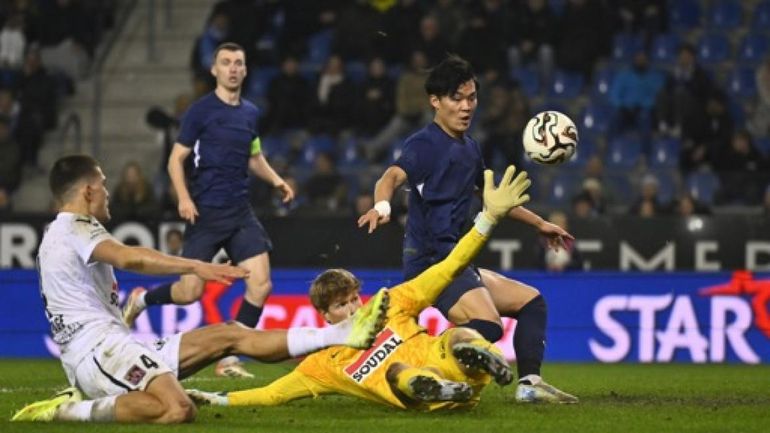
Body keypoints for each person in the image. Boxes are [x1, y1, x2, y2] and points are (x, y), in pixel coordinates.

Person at [11, 154, 389, 424]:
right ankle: (66, 411)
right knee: (178, 410)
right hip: (99, 353)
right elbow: (130, 258)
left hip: (114, 345)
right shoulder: (75, 226)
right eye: (104, 186)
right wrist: (197, 266)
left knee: (229, 334)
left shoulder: (60, 233)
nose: (108, 194)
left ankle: (341, 333)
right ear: (89, 191)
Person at [188, 165, 542, 411]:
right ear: (325, 316)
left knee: (457, 338)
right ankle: (433, 385)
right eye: (342, 305)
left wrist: (488, 218)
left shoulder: (393, 302)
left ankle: (489, 360)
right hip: (427, 394)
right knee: (397, 373)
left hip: (458, 370)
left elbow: (450, 266)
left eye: (355, 298)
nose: (355, 308)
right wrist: (218, 399)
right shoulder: (322, 365)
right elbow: (270, 395)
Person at [357, 55, 577, 403]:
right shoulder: (424, 144)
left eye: (471, 98)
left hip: (458, 259)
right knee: (488, 326)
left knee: (532, 302)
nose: (466, 106)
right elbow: (392, 176)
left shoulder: (470, 148)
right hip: (433, 263)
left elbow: (493, 198)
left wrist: (540, 223)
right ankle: (419, 365)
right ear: (435, 101)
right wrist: (382, 205)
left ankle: (530, 385)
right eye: (456, 98)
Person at [122, 42, 296, 378]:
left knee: (261, 285)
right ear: (214, 70)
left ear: (245, 71)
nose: (232, 68)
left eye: (238, 63)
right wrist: (184, 198)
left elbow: (254, 157)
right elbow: (176, 159)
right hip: (206, 213)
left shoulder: (250, 113)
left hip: (240, 212)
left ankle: (230, 359)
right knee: (190, 292)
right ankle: (141, 300)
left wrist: (276, 181)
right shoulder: (200, 111)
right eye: (226, 62)